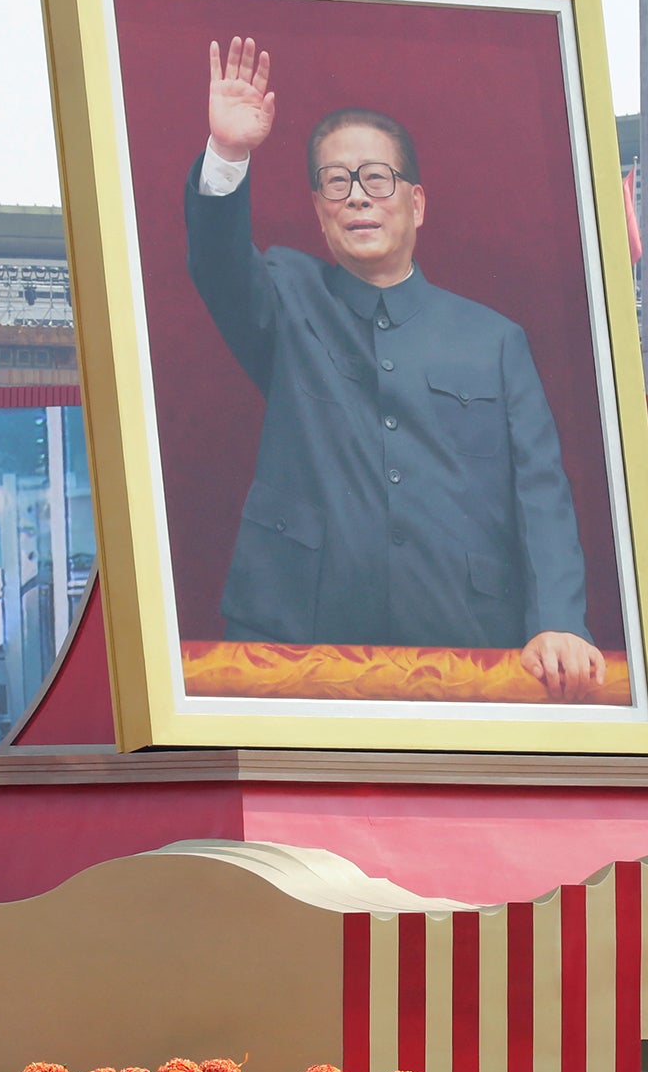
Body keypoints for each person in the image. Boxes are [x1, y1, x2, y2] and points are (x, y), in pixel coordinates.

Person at [184, 36, 605, 697]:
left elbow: (541, 496)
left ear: (416, 204)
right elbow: (217, 263)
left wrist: (557, 621)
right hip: (293, 643)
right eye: (336, 181)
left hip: (463, 648)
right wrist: (229, 153)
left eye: (377, 179)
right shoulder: (287, 296)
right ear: (319, 209)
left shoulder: (493, 341)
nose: (358, 197)